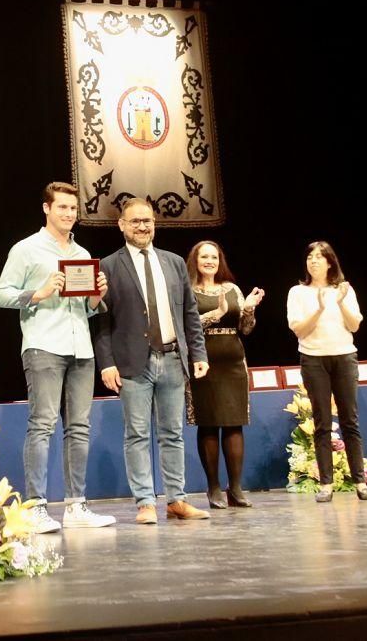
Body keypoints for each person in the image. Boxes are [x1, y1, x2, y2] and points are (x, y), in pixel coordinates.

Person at [0, 182, 116, 532]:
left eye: (73, 209)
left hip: (81, 347)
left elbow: (87, 309)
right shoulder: (26, 249)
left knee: (79, 427)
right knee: (43, 424)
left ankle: (76, 506)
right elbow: (1, 295)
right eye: (62, 207)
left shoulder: (81, 254)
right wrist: (40, 292)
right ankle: (34, 507)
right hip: (44, 344)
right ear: (47, 209)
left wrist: (96, 298)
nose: (68, 214)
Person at [94, 198, 211, 524]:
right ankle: (145, 502)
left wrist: (198, 353)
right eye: (135, 221)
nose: (143, 226)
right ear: (122, 225)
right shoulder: (108, 266)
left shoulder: (173, 263)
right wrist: (106, 363)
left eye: (147, 220)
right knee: (137, 435)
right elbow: (100, 322)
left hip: (173, 359)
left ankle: (176, 500)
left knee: (173, 434)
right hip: (132, 364)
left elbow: (189, 312)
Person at [286, 241, 367, 503]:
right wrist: (320, 307)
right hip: (313, 359)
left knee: (350, 420)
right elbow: (299, 329)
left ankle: (360, 481)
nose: (313, 261)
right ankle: (326, 484)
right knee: (322, 422)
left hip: (344, 356)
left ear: (329, 262)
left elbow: (355, 325)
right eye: (310, 257)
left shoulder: (344, 289)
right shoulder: (297, 292)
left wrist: (339, 302)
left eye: (319, 257)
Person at [186, 241, 265, 508]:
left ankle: (236, 488)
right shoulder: (187, 291)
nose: (209, 261)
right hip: (202, 362)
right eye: (204, 256)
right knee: (208, 424)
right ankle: (213, 488)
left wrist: (250, 308)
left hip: (233, 361)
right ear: (195, 261)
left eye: (214, 257)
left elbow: (246, 329)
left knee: (233, 424)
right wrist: (215, 313)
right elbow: (187, 326)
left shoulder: (232, 289)